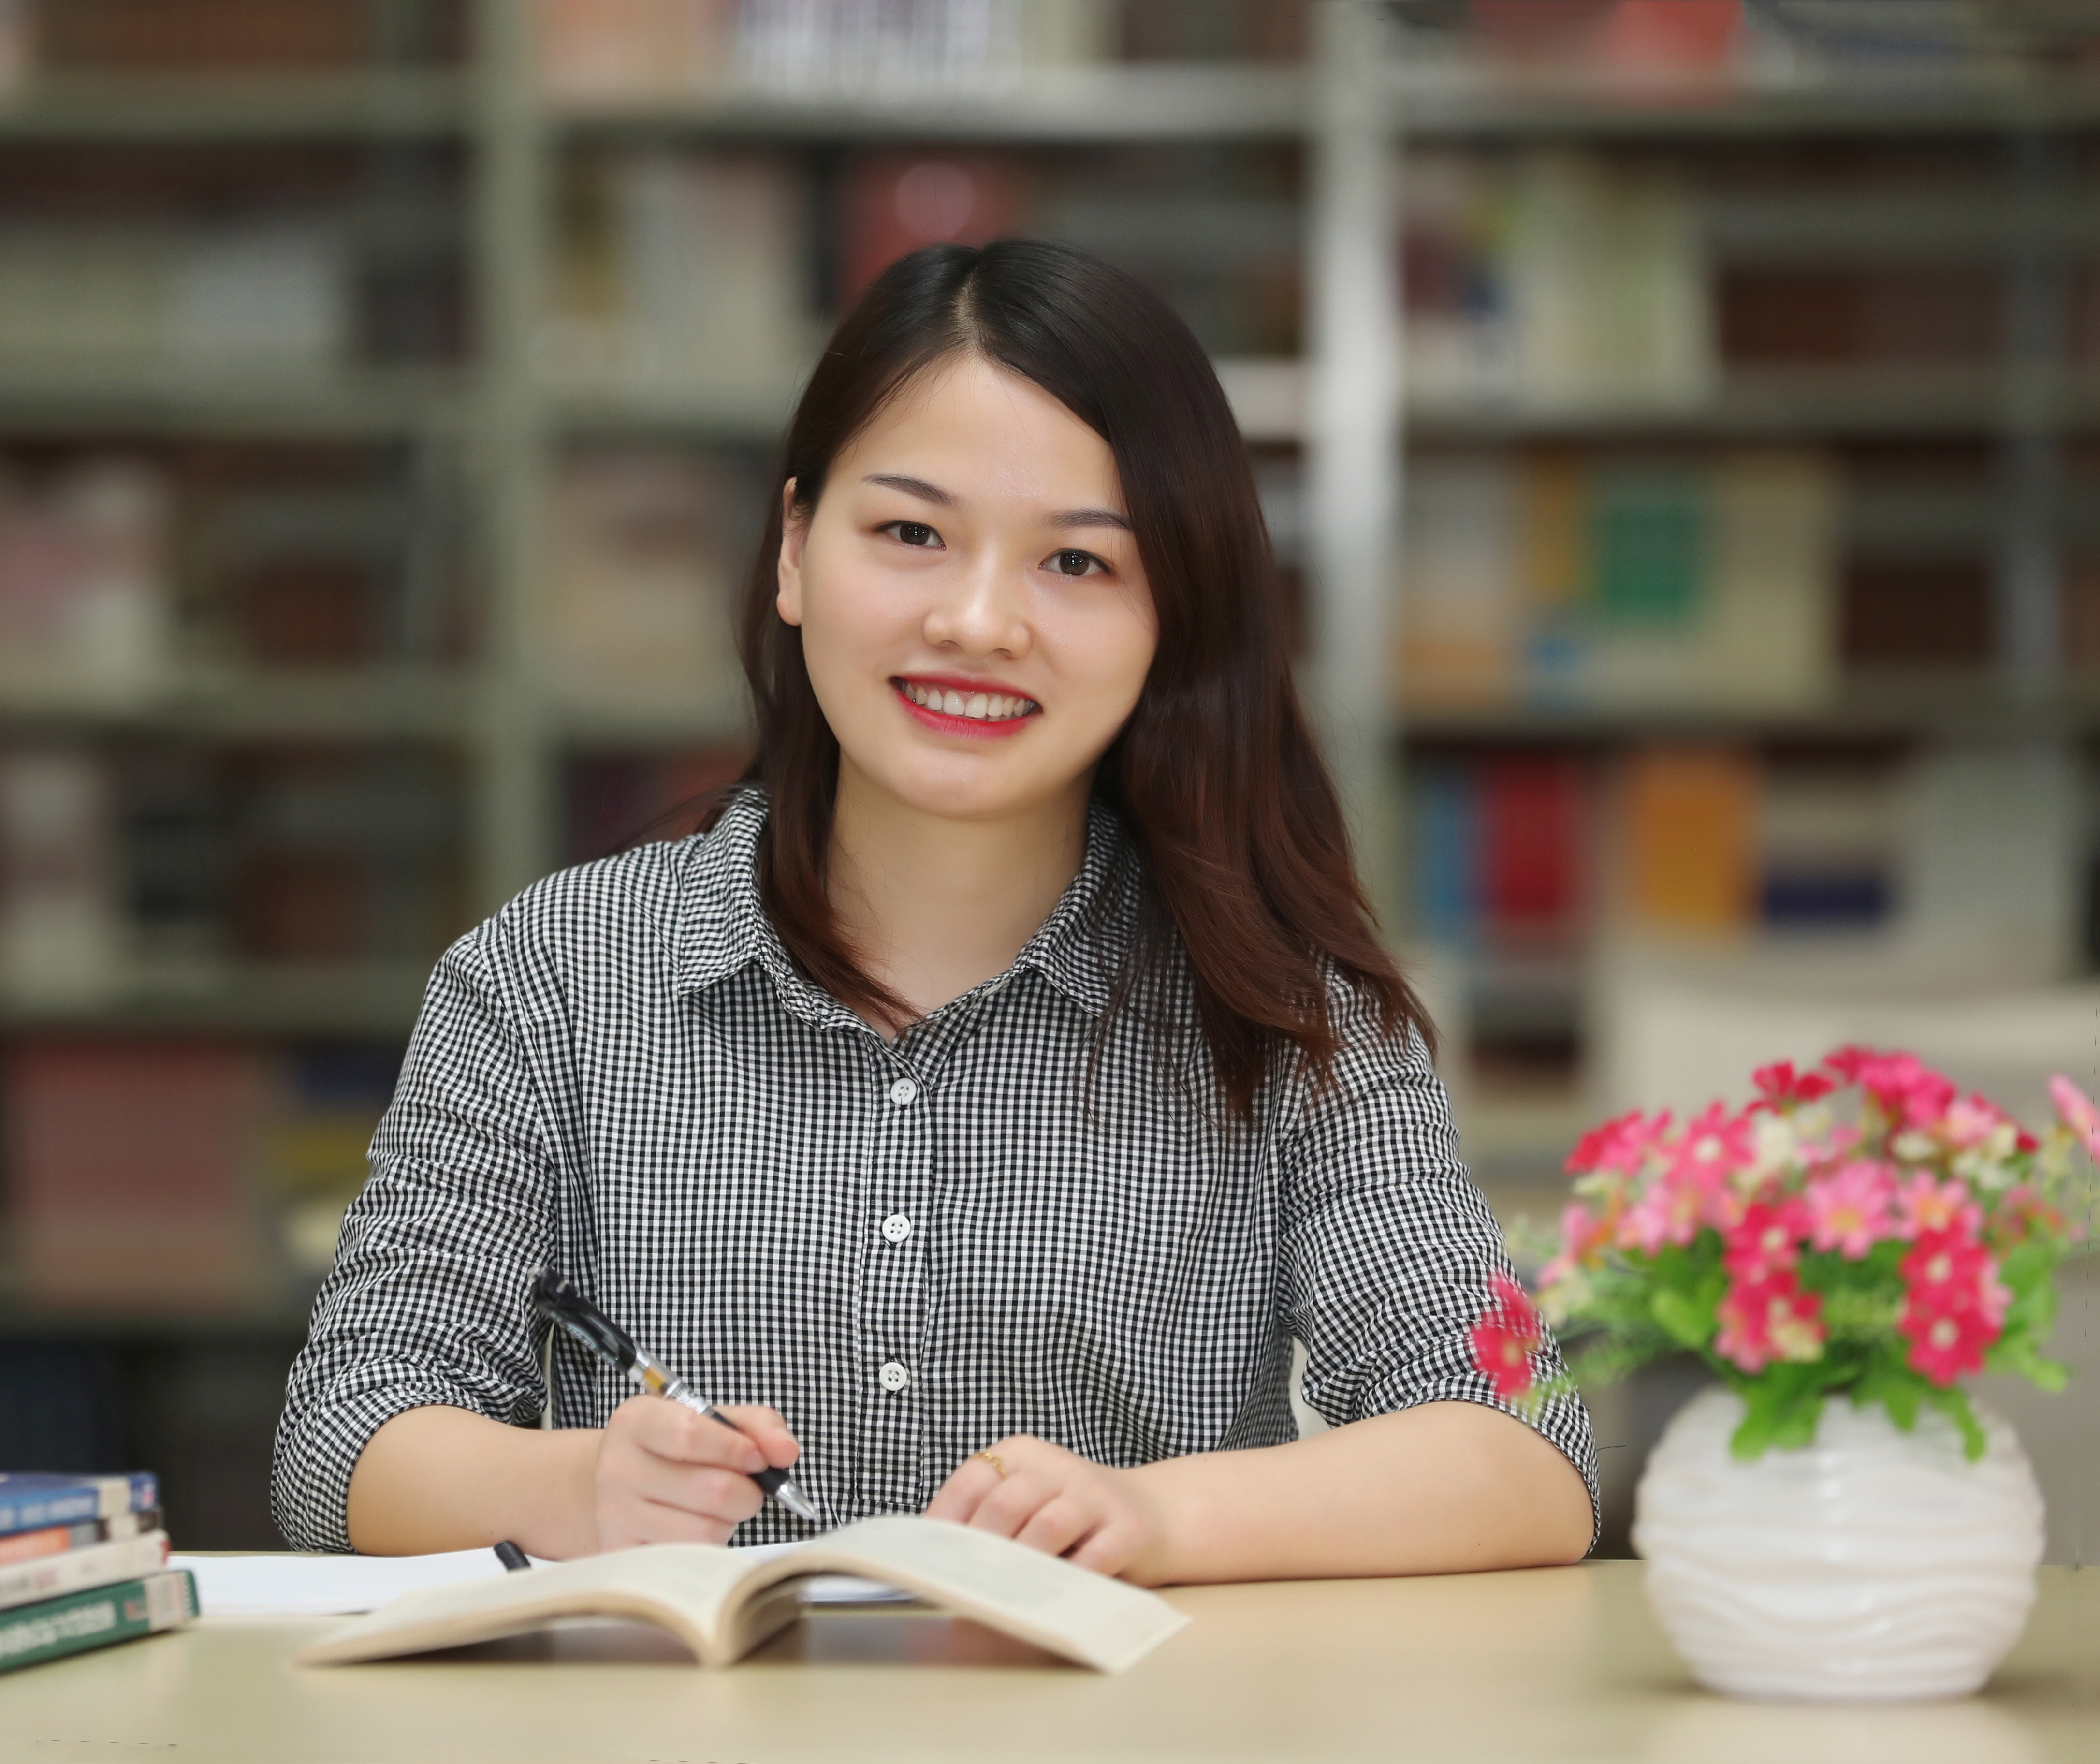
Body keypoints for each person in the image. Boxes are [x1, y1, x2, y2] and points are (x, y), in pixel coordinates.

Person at [272, 240, 1597, 1584]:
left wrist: (1163, 1521)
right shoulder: (550, 976)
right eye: (911, 534)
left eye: (1077, 565)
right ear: (793, 553)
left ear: (1172, 625)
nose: (976, 622)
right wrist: (575, 1484)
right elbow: (342, 1441)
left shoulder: (1288, 1011)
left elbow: (1528, 1447)